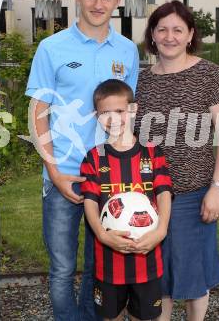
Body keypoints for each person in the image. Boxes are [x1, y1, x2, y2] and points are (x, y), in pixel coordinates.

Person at [25, 0, 139, 321]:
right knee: (61, 269)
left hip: (107, 178)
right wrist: (55, 173)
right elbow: (38, 112)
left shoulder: (127, 51)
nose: (97, 4)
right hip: (64, 177)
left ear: (117, 1)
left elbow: (126, 114)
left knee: (97, 269)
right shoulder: (51, 47)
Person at [134, 0, 219, 321]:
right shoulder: (141, 80)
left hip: (193, 196)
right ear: (152, 34)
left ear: (190, 34)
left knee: (194, 279)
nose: (169, 36)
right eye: (162, 29)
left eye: (178, 29)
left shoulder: (208, 74)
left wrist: (218, 187)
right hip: (147, 198)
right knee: (157, 280)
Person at [80, 79, 172, 321]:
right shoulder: (93, 158)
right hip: (109, 265)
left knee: (146, 317)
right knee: (110, 317)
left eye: (119, 111)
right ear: (96, 116)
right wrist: (101, 234)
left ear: (133, 109)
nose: (113, 119)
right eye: (105, 113)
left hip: (147, 259)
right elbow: (89, 201)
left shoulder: (152, 153)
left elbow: (163, 194)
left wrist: (161, 230)